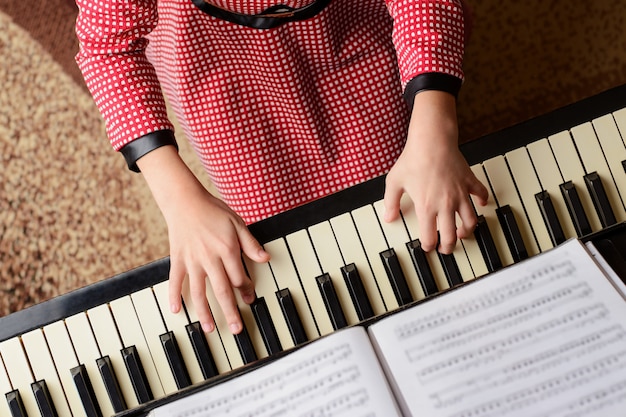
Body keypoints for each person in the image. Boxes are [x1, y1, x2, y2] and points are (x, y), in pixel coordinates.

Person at [75, 0, 488, 336]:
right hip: (214, 63)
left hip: (348, 28)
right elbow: (108, 48)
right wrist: (178, 201)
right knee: (276, 245)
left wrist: (436, 125)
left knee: (402, 208)